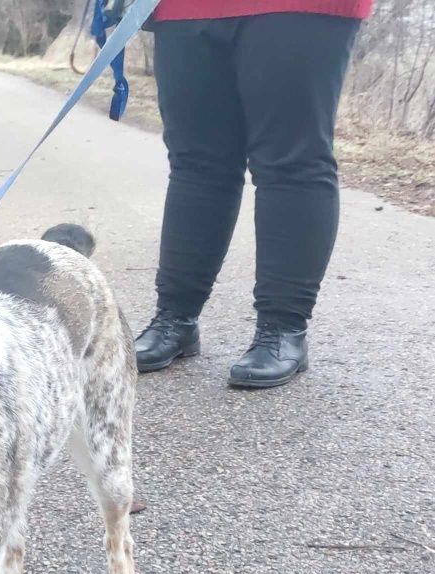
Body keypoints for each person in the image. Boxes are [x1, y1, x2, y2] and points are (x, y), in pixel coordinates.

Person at [135, 0, 372, 388]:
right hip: (183, 8)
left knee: (291, 159)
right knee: (195, 162)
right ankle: (175, 318)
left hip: (300, 7)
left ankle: (283, 330)